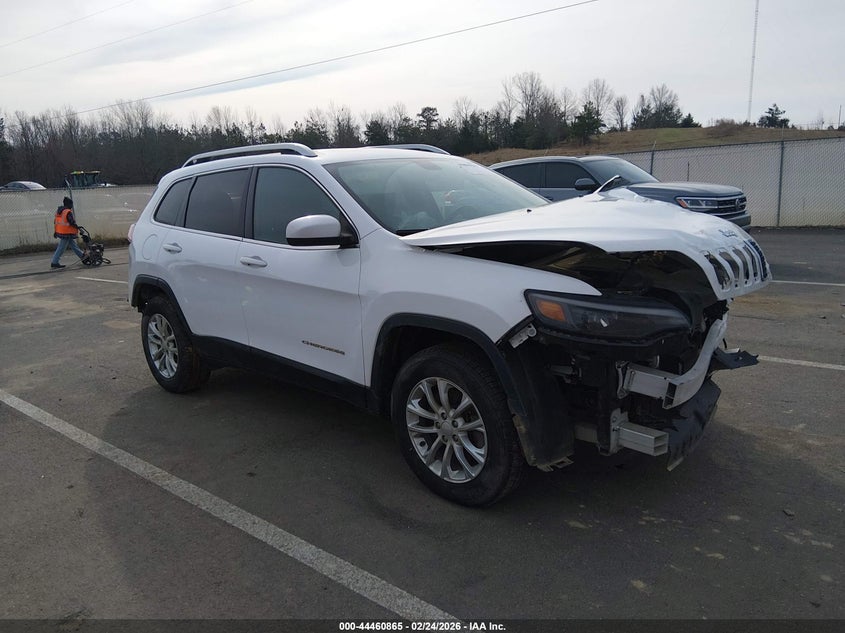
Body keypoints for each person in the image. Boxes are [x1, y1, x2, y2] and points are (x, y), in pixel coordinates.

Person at [51, 196, 86, 269]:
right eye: (71, 204)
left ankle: (83, 256)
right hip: (66, 232)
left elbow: (56, 222)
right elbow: (71, 222)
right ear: (68, 204)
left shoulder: (59, 211)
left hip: (61, 232)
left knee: (74, 245)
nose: (72, 206)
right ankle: (54, 262)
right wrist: (78, 228)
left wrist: (55, 232)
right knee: (61, 248)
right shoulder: (67, 212)